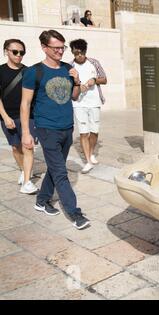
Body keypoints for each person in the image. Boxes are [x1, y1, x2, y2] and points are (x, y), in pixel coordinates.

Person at [20, 30, 90, 230]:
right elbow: (25, 104)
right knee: (60, 172)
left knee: (53, 167)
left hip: (67, 127)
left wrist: (76, 81)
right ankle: (75, 213)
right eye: (56, 48)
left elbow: (74, 96)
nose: (61, 51)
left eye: (62, 47)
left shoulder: (68, 68)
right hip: (46, 128)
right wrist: (26, 132)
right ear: (44, 47)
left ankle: (42, 201)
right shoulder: (34, 72)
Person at [0, 39, 39, 194]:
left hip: (28, 116)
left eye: (21, 52)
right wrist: (5, 117)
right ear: (6, 51)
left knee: (28, 146)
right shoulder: (0, 71)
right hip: (7, 116)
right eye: (15, 51)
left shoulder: (29, 71)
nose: (18, 55)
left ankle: (27, 182)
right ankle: (24, 170)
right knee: (16, 147)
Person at [69, 39, 107, 174]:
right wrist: (78, 85)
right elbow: (68, 86)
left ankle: (91, 153)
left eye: (81, 52)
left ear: (85, 51)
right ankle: (88, 161)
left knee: (94, 131)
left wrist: (94, 80)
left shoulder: (94, 63)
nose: (79, 55)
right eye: (76, 53)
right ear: (72, 52)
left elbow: (105, 79)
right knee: (83, 132)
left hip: (94, 101)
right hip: (78, 103)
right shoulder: (70, 66)